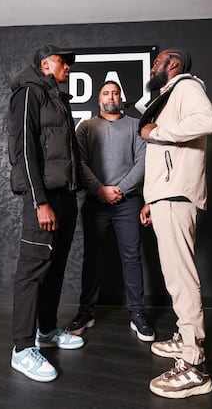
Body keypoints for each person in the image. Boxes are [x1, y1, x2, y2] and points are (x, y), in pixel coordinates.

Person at [139, 48, 212, 398]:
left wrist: (157, 132)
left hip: (176, 196)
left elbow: (208, 122)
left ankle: (194, 365)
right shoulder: (170, 94)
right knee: (176, 275)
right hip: (165, 197)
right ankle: (185, 338)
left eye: (159, 62)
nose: (154, 66)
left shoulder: (186, 86)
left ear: (174, 65)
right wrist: (150, 200)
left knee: (180, 277)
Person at [7, 44, 84, 383]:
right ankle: (22, 349)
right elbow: (25, 151)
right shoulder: (28, 94)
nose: (67, 66)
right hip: (44, 198)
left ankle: (47, 330)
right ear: (46, 63)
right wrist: (40, 202)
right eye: (63, 62)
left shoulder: (57, 99)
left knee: (54, 267)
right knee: (32, 270)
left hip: (65, 196)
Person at [66, 80, 155, 342]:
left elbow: (143, 161)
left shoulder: (135, 125)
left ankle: (138, 315)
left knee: (132, 258)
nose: (111, 96)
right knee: (92, 258)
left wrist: (120, 190)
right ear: (98, 98)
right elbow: (79, 162)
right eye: (106, 92)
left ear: (121, 97)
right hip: (96, 201)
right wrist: (101, 190)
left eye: (115, 92)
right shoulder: (86, 127)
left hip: (128, 202)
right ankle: (86, 312)